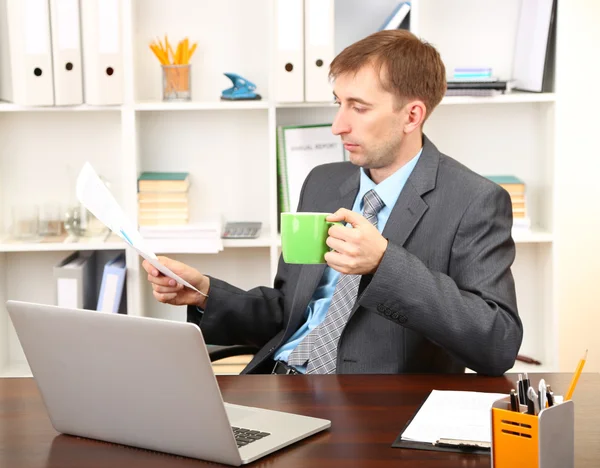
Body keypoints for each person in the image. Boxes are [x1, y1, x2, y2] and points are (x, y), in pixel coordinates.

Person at [142, 30, 522, 376]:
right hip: (278, 381)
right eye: (339, 103)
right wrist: (206, 293)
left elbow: (497, 342)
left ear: (412, 115)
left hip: (372, 412)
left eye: (358, 107)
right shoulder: (323, 182)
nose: (337, 125)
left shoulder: (475, 201)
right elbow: (287, 311)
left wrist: (384, 263)